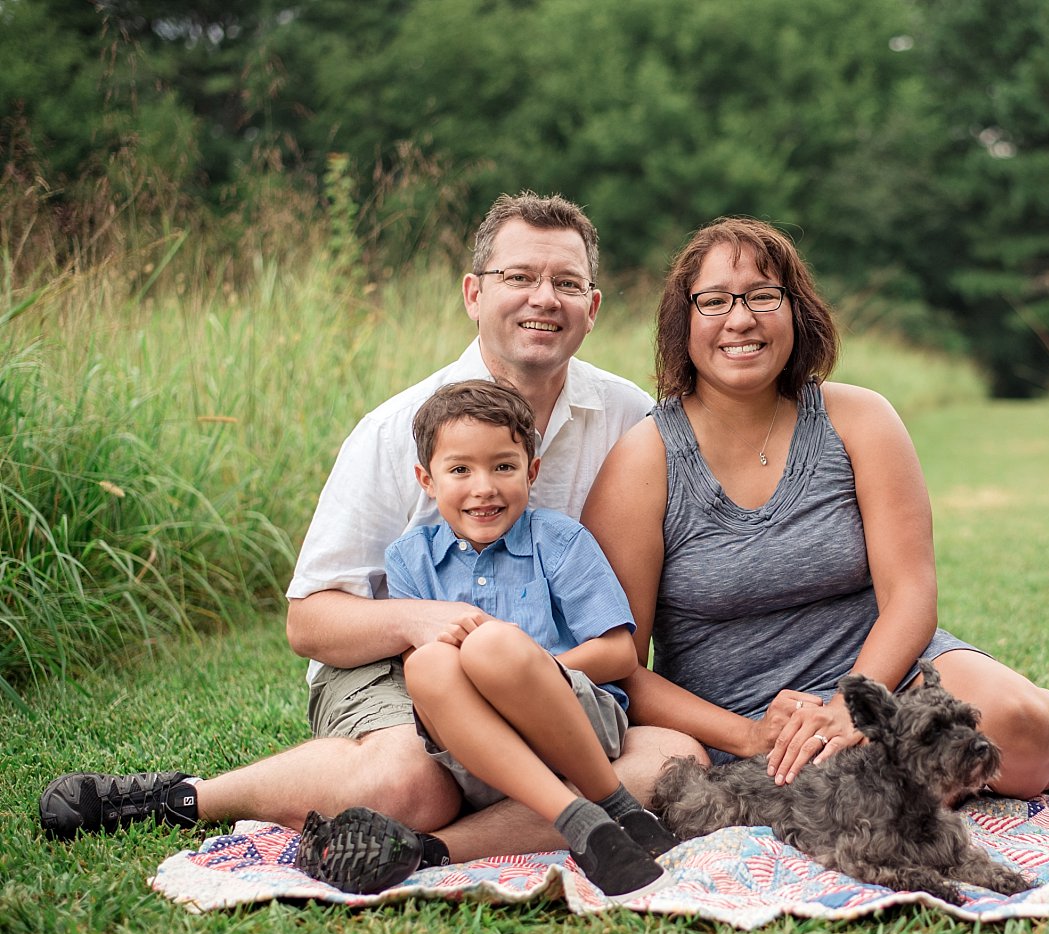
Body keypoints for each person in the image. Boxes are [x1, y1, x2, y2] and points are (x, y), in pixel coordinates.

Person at [39, 192, 706, 861]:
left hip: (552, 680)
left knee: (672, 763)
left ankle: (419, 851)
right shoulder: (397, 429)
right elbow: (311, 621)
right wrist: (418, 622)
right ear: (474, 293)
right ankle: (186, 797)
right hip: (400, 672)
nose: (544, 298)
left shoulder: (629, 416)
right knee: (412, 783)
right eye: (519, 278)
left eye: (566, 283)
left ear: (591, 309)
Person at [581, 217, 1049, 798]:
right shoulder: (643, 461)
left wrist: (853, 706)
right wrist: (749, 736)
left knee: (1017, 727)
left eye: (762, 295)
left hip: (890, 680)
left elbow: (911, 595)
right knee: (857, 791)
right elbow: (625, 665)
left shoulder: (860, 420)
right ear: (683, 322)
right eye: (714, 301)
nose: (741, 318)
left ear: (796, 313)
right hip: (754, 724)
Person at [295, 380, 676, 899]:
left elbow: (618, 652)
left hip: (574, 728)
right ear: (425, 480)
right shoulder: (411, 558)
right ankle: (590, 819)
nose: (484, 487)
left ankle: (607, 804)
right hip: (475, 752)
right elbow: (428, 672)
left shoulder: (559, 541)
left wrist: (526, 669)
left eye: (503, 466)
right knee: (426, 664)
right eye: (460, 470)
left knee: (489, 646)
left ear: (531, 472)